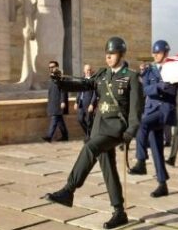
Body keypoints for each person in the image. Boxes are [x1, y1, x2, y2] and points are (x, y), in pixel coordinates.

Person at [44, 37, 143, 229]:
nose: (108, 57)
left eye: (112, 54)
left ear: (121, 54)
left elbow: (136, 109)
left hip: (116, 129)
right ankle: (119, 211)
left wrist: (130, 132)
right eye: (107, 54)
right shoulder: (102, 75)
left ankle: (69, 190)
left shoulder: (131, 77)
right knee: (109, 170)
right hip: (99, 127)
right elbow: (83, 84)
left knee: (90, 147)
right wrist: (61, 81)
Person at [128, 40, 176, 198]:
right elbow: (145, 88)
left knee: (142, 125)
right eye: (154, 53)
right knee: (157, 150)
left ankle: (141, 161)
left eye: (158, 53)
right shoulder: (149, 70)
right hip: (151, 110)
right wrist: (159, 87)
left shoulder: (173, 69)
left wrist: (164, 87)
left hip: (164, 110)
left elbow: (174, 90)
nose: (155, 55)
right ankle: (163, 184)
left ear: (166, 53)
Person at [18, 0, 64, 89]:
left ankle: (50, 79)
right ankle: (36, 80)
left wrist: (61, 27)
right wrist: (29, 25)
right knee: (41, 51)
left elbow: (60, 8)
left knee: (53, 52)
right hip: (41, 19)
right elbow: (27, 9)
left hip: (55, 20)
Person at [42, 61, 69, 142]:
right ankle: (65, 135)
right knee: (59, 120)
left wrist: (63, 101)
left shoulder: (61, 77)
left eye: (53, 66)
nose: (51, 68)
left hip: (59, 102)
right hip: (53, 102)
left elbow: (63, 90)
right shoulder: (51, 77)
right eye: (50, 67)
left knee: (54, 119)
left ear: (57, 67)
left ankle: (49, 136)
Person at [75, 64, 96, 142]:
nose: (88, 71)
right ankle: (89, 134)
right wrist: (76, 102)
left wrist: (92, 104)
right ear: (84, 71)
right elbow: (79, 91)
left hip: (88, 104)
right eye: (87, 70)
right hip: (81, 103)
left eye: (89, 70)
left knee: (89, 121)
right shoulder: (82, 79)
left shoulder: (93, 80)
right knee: (80, 119)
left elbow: (95, 93)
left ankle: (88, 137)